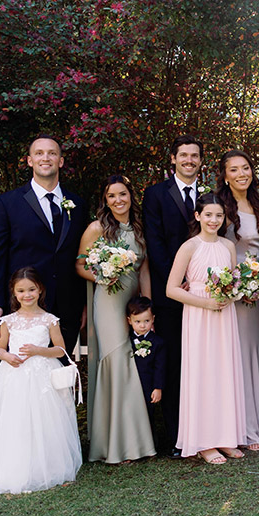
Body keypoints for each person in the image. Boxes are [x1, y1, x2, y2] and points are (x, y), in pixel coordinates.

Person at [0, 268, 82, 493]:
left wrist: (40, 350)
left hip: (42, 375)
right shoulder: (8, 321)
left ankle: (46, 464)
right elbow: (0, 349)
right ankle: (13, 465)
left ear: (40, 290)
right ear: (14, 292)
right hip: (14, 375)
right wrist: (7, 356)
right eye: (21, 291)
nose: (26, 295)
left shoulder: (50, 320)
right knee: (15, 418)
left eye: (31, 289)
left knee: (44, 419)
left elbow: (60, 350)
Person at [76, 174, 155, 463]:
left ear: (130, 195)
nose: (118, 200)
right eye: (112, 196)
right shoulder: (97, 228)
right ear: (105, 201)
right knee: (118, 359)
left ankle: (134, 439)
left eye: (122, 194)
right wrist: (102, 275)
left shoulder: (138, 228)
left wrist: (147, 306)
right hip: (108, 300)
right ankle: (115, 444)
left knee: (133, 358)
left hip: (134, 300)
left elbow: (144, 269)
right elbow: (80, 264)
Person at [166, 193, 248, 464]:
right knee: (203, 374)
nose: (214, 220)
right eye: (209, 215)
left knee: (224, 372)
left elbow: (236, 282)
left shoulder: (228, 246)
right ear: (198, 216)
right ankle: (203, 442)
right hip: (199, 315)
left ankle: (225, 437)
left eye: (219, 215)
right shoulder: (189, 247)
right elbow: (171, 289)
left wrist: (232, 296)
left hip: (224, 315)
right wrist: (205, 302)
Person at [0, 136, 87, 352]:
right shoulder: (7, 204)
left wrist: (84, 302)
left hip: (67, 307)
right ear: (30, 161)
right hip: (23, 306)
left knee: (61, 375)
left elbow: (81, 255)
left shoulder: (78, 204)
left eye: (52, 153)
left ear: (60, 161)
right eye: (39, 153)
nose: (45, 158)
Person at [143, 134, 204, 458]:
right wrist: (180, 284)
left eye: (194, 156)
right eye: (184, 155)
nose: (189, 160)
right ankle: (175, 436)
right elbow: (155, 245)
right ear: (173, 159)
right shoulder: (155, 195)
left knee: (202, 362)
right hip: (170, 295)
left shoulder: (208, 198)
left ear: (200, 161)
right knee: (174, 362)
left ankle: (202, 429)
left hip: (204, 297)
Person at [217, 150, 259, 450]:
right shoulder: (220, 206)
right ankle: (238, 429)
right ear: (225, 175)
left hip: (257, 292)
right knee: (234, 357)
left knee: (255, 355)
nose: (241, 174)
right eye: (234, 170)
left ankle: (255, 424)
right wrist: (233, 282)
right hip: (233, 292)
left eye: (246, 168)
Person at [126, 296, 167, 441]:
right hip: (131, 385)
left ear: (153, 319)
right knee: (131, 414)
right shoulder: (126, 341)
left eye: (146, 321)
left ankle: (150, 443)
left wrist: (158, 388)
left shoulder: (158, 342)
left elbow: (160, 367)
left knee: (148, 415)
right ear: (129, 321)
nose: (142, 326)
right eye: (137, 322)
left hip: (148, 385)